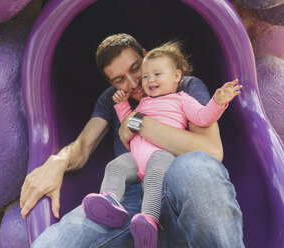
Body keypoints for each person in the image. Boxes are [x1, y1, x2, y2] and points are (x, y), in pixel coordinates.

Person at [21, 33, 245, 247]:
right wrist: (57, 162)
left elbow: (210, 151)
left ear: (146, 56)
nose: (134, 82)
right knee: (50, 243)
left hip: (177, 187)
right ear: (111, 84)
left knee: (196, 166)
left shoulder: (183, 87)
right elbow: (82, 145)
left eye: (136, 68)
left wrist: (139, 121)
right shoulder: (113, 100)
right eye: (119, 79)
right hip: (130, 201)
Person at [81, 41, 242, 248]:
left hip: (161, 156)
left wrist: (218, 103)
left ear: (176, 75)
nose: (143, 81)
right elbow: (125, 122)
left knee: (155, 176)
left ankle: (149, 218)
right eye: (147, 76)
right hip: (136, 161)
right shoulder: (144, 102)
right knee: (114, 167)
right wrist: (122, 106)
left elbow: (203, 118)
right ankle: (110, 199)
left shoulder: (182, 97)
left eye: (145, 72)